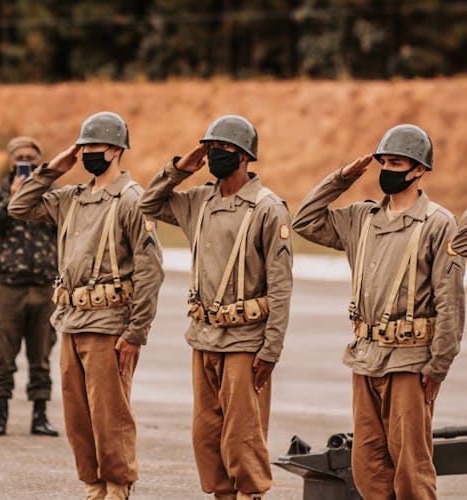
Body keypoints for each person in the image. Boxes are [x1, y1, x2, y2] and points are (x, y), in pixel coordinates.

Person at [292, 124, 464, 499]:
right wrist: (341, 179)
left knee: (411, 468)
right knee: (368, 465)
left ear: (419, 170)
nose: (388, 169)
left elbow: (450, 301)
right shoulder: (361, 218)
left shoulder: (437, 223)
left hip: (410, 361)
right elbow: (304, 221)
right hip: (365, 357)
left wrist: (439, 365)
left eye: (397, 163)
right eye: (384, 161)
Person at [8, 112, 164, 500]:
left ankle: (118, 482)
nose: (87, 153)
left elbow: (150, 270)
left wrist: (136, 332)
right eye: (83, 147)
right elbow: (19, 207)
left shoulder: (132, 199)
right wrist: (53, 169)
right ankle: (93, 481)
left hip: (110, 323)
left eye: (93, 147)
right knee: (77, 413)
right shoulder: (71, 197)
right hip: (71, 320)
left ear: (115, 149)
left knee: (110, 413)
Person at [139, 115, 292, 500]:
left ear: (243, 156)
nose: (213, 156)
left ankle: (251, 494)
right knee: (206, 433)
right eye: (210, 149)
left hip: (245, 341)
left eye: (221, 149)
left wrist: (270, 349)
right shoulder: (198, 202)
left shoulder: (268, 208)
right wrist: (180, 168)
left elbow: (281, 286)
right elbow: (149, 202)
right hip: (204, 337)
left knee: (243, 432)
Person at [0, 136, 59, 437]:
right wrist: (10, 199)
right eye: (21, 157)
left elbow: (67, 227)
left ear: (41, 161)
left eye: (32, 157)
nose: (27, 162)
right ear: (12, 163)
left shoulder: (53, 195)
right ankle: (0, 414)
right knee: (3, 353)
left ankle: (40, 415)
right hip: (8, 288)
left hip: (44, 286)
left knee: (42, 355)